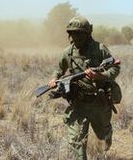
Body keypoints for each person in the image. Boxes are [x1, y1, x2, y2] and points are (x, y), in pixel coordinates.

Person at [48, 16, 120, 160]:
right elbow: (59, 69)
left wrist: (99, 76)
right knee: (76, 142)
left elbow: (115, 67)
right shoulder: (68, 53)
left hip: (98, 103)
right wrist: (54, 78)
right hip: (77, 104)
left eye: (79, 33)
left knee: (102, 134)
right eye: (73, 34)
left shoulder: (99, 49)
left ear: (87, 34)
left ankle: (107, 133)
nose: (76, 37)